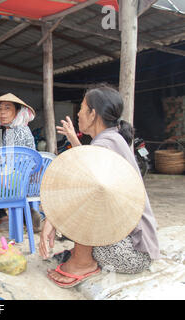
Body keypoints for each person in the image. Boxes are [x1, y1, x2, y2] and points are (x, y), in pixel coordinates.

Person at [39, 85, 160, 288]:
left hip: (133, 253)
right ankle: (81, 255)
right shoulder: (110, 139)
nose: (78, 113)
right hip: (137, 246)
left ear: (93, 114)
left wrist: (51, 220)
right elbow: (88, 166)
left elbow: (85, 186)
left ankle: (83, 263)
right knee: (74, 213)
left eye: (82, 107)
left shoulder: (106, 143)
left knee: (86, 201)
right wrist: (74, 139)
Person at [0, 93, 39, 225]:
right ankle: (24, 214)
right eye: (0, 109)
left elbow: (10, 163)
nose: (2, 112)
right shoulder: (14, 130)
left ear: (17, 112)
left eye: (7, 108)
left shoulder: (17, 131)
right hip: (23, 178)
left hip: (21, 180)